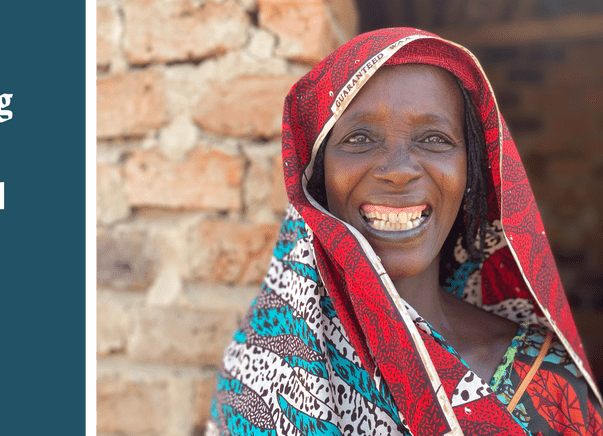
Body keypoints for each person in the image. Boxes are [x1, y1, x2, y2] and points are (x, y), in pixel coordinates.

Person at [207, 28, 603, 436]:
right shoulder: (258, 378)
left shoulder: (548, 384)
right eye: (359, 138)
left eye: (434, 139)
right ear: (316, 178)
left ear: (471, 172)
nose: (398, 171)